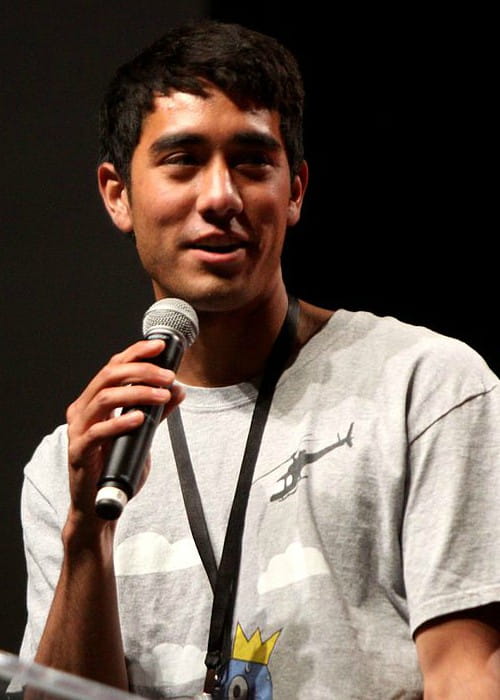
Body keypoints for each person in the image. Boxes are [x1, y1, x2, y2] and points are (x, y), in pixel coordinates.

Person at [10, 18, 500, 699]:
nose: (220, 197)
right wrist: (86, 534)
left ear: (294, 189)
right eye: (183, 161)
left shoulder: (424, 387)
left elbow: (468, 675)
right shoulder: (68, 466)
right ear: (117, 194)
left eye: (251, 162)